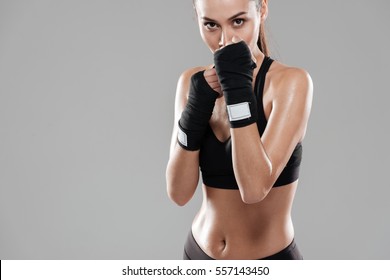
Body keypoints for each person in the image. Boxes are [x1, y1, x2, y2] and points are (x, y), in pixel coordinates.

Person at [166, 0, 313, 260]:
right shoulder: (192, 83)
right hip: (198, 254)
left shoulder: (290, 83)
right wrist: (196, 109)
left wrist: (237, 91)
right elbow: (178, 193)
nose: (226, 40)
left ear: (262, 9)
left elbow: (254, 189)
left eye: (238, 21)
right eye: (211, 25)